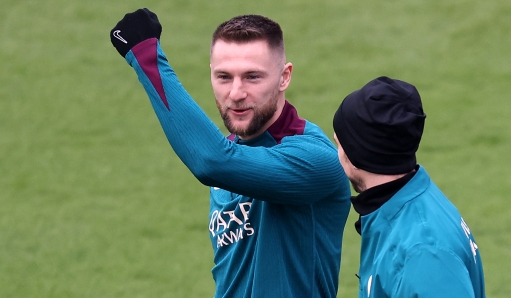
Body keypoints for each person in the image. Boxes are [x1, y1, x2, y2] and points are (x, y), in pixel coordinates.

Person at [109, 8, 351, 298]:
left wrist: (147, 57)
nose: (236, 93)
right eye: (224, 77)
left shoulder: (314, 158)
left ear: (284, 77)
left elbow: (212, 160)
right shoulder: (231, 150)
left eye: (252, 77)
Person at [332, 76, 486, 297]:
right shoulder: (407, 203)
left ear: (358, 153)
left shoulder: (425, 253)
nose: (336, 147)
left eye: (340, 143)